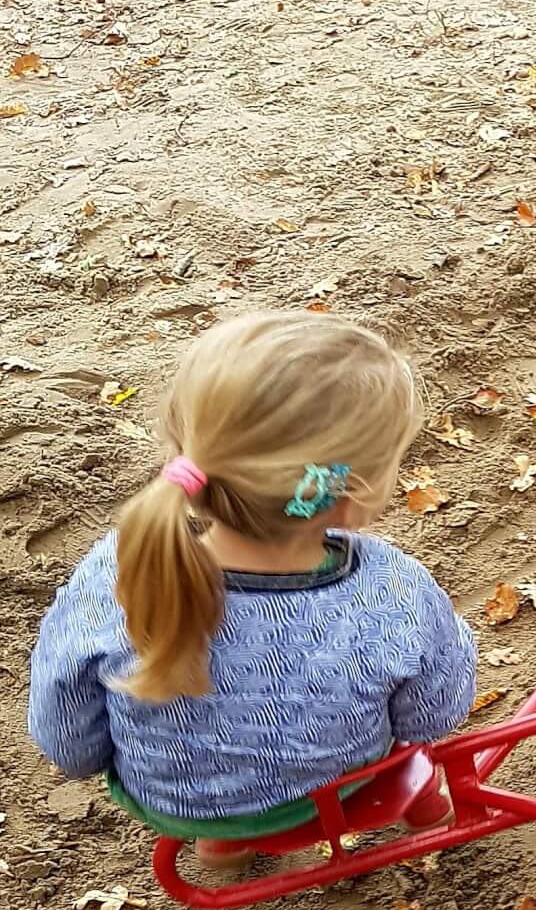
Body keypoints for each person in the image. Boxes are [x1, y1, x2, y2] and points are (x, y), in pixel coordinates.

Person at [27, 309, 477, 860]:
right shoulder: (392, 589)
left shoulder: (119, 571)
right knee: (406, 751)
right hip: (335, 788)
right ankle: (425, 815)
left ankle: (221, 846)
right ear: (350, 493)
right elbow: (432, 715)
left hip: (173, 801)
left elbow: (67, 735)